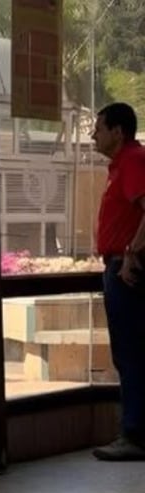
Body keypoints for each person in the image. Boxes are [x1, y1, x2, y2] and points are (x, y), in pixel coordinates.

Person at [92, 103, 145, 462]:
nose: (93, 134)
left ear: (118, 132)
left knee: (130, 353)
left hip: (128, 270)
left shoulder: (133, 161)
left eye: (99, 128)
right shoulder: (124, 164)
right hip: (122, 264)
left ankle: (135, 433)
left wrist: (130, 253)